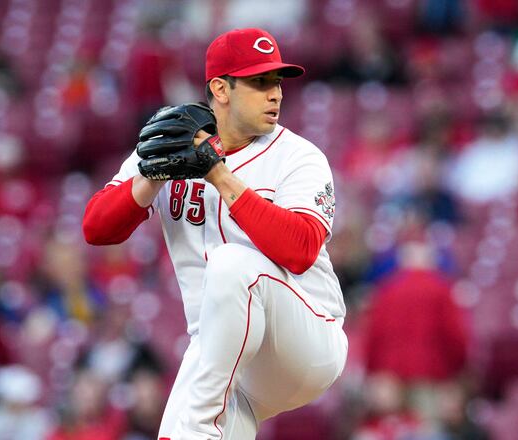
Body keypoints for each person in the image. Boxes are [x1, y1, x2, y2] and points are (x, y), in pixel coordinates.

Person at [82, 28, 348, 439]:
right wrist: (151, 176)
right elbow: (96, 228)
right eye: (260, 82)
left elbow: (301, 248)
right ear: (221, 89)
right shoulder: (174, 141)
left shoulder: (299, 156)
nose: (275, 94)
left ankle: (203, 427)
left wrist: (218, 174)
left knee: (231, 264)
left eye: (277, 82)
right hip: (224, 356)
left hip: (303, 339)